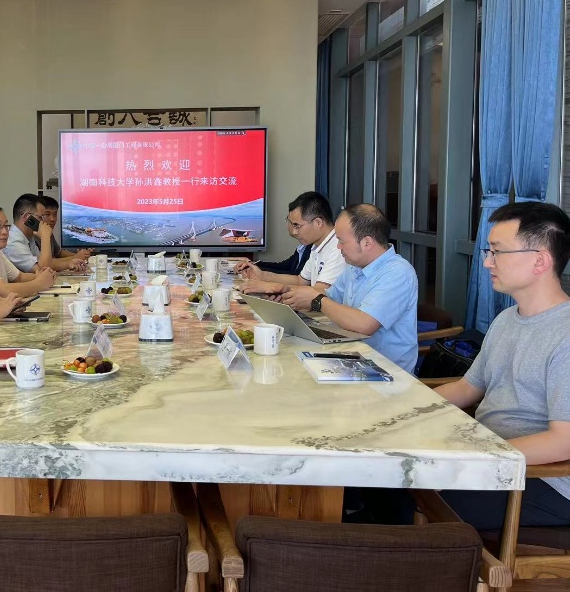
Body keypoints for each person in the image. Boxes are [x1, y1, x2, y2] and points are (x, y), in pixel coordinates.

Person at [432, 202, 570, 530]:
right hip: (495, 458)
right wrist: (406, 408)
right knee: (388, 478)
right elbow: (469, 387)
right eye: (489, 251)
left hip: (544, 480)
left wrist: (476, 453)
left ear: (540, 260)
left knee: (410, 494)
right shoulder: (507, 318)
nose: (486, 262)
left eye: (497, 252)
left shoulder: (565, 334)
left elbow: (563, 441)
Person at [279, 204, 419, 374]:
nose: (338, 247)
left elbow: (364, 324)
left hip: (384, 373)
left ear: (367, 242)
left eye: (341, 241)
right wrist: (291, 295)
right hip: (350, 357)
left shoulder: (398, 273)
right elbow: (330, 297)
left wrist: (316, 300)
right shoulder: (355, 266)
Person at [236, 192, 344, 295]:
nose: (294, 232)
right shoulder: (317, 246)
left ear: (318, 223)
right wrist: (262, 275)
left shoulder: (338, 247)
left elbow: (319, 292)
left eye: (297, 226)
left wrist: (272, 287)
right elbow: (300, 281)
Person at [0, 203, 58, 297]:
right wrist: (40, 283)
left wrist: (42, 276)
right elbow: (4, 290)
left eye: (6, 226)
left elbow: (19, 277)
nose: (5, 232)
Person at [4, 193, 84, 273]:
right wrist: (45, 237)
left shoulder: (28, 237)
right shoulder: (13, 242)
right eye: (40, 217)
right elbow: (43, 269)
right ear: (26, 217)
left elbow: (45, 262)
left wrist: (69, 264)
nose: (43, 221)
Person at [38, 195, 93, 260]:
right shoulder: (34, 237)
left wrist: (81, 255)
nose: (52, 219)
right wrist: (76, 257)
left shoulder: (49, 232)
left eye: (55, 214)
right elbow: (48, 263)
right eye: (47, 214)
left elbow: (59, 253)